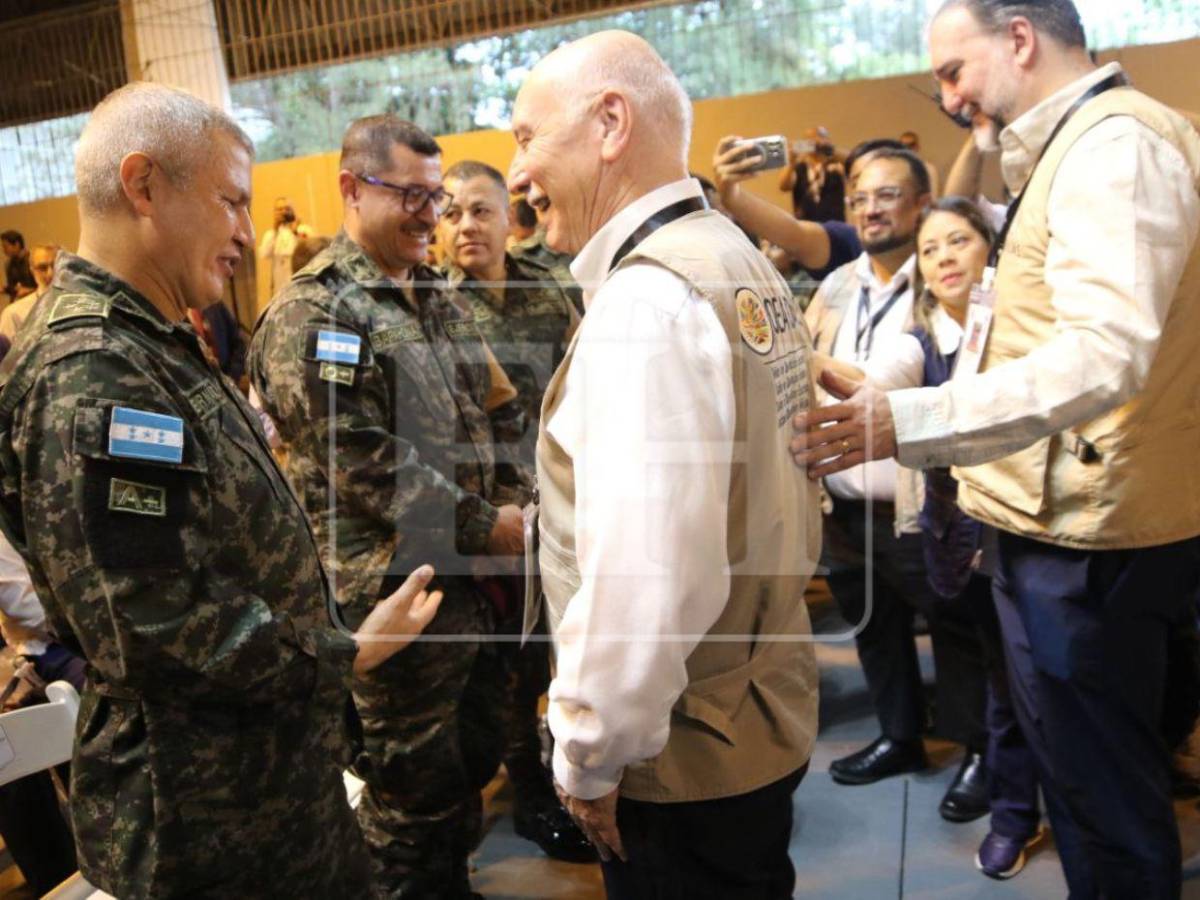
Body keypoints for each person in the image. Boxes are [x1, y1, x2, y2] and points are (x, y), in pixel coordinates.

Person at [0, 82, 445, 899]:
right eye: (231, 201)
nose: (247, 230)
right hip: (205, 828)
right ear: (143, 186)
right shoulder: (93, 372)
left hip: (264, 795)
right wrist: (349, 650)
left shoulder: (147, 341)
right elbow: (157, 624)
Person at [793, 1, 1200, 895]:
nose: (947, 98)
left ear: (1019, 38)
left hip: (1090, 541)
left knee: (1107, 804)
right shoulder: (1069, 149)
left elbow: (1104, 353)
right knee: (1086, 790)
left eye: (952, 71)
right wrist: (896, 392)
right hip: (1053, 526)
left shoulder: (1112, 147)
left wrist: (914, 423)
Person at [508, 30, 821, 898]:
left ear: (611, 122)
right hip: (755, 701)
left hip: (685, 745)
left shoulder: (649, 300)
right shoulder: (730, 255)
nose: (519, 173)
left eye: (527, 136)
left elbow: (642, 581)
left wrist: (590, 759)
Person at [250, 115, 531, 898]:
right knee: (409, 800)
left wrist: (511, 508)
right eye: (408, 194)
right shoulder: (318, 314)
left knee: (466, 774)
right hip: (391, 602)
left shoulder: (432, 296)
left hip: (466, 587)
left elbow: (488, 414)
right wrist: (489, 524)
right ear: (350, 187)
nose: (428, 214)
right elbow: (361, 457)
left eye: (434, 197)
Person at [820, 196, 1045, 878]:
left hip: (1037, 532)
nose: (944, 257)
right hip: (963, 543)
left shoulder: (1029, 330)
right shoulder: (918, 341)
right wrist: (827, 377)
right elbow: (881, 382)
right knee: (1004, 682)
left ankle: (1072, 808)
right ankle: (1013, 814)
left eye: (959, 242)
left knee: (1054, 684)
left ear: (991, 251)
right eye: (931, 249)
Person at [803, 149, 990, 820]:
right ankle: (900, 736)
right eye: (859, 198)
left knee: (956, 628)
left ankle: (978, 753)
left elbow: (894, 370)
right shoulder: (834, 287)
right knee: (872, 624)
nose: (870, 209)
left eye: (887, 196)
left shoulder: (942, 274)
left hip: (918, 501)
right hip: (845, 501)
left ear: (920, 203)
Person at [436, 158, 593, 862]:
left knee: (573, 645)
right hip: (493, 519)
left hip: (567, 499)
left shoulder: (550, 291)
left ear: (508, 217)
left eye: (478, 209)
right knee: (513, 661)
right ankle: (529, 787)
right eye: (450, 213)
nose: (465, 225)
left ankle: (577, 771)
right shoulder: (433, 307)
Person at [712, 135, 861, 281]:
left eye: (884, 195)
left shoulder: (834, 166)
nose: (872, 209)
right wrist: (731, 196)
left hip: (834, 226)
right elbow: (784, 188)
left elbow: (857, 165)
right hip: (815, 233)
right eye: (808, 142)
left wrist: (829, 149)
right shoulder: (801, 167)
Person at [779, 126, 847, 221]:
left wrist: (827, 149)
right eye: (809, 140)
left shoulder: (837, 164)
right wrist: (791, 160)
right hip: (806, 227)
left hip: (835, 226)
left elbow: (851, 161)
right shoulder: (799, 167)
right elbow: (784, 186)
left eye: (821, 137)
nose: (814, 142)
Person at [257, 196, 314, 296]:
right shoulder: (271, 234)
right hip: (281, 285)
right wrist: (275, 229)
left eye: (287, 208)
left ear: (293, 210)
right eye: (279, 209)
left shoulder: (304, 230)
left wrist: (295, 231)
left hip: (301, 283)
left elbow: (310, 250)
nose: (283, 212)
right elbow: (264, 254)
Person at [0, 243, 56, 341]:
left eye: (55, 266)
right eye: (42, 268)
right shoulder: (14, 314)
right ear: (32, 270)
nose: (50, 274)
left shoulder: (81, 305)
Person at [899, 130, 942, 198]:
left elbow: (933, 197)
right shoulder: (895, 170)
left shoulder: (929, 169)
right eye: (904, 145)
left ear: (917, 146)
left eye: (911, 145)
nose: (907, 148)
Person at [1, 230, 35, 303]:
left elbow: (46, 287)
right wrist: (5, 289)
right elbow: (14, 288)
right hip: (20, 303)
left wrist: (29, 290)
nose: (4, 250)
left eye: (5, 247)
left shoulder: (33, 260)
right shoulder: (9, 264)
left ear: (17, 244)